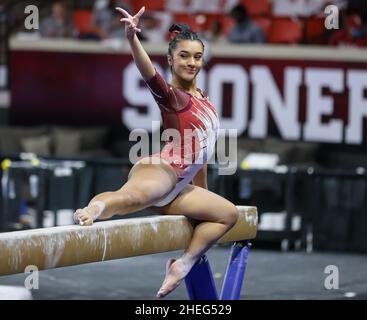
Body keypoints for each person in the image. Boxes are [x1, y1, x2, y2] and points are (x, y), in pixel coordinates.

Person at [73, 6, 239, 299]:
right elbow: (150, 75)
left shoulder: (205, 101)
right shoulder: (173, 97)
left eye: (197, 57)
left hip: (180, 186)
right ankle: (94, 210)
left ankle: (182, 265)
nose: (191, 62)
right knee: (130, 199)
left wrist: (203, 198)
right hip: (162, 171)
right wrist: (133, 39)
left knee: (227, 214)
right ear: (171, 59)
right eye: (184, 56)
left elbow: (201, 159)